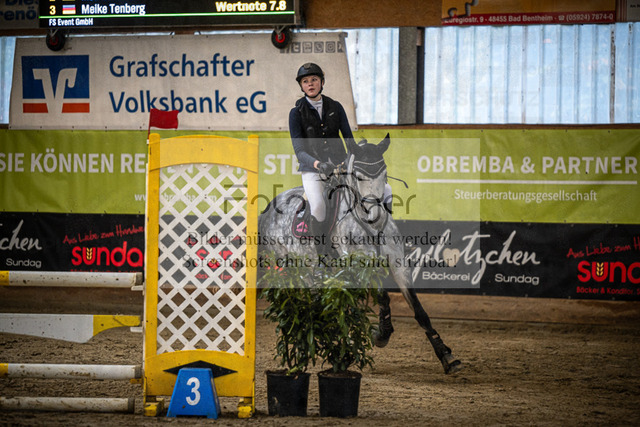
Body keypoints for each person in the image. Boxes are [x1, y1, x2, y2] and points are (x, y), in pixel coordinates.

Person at [289, 62, 352, 255]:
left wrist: (351, 159)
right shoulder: (296, 113)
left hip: (340, 167)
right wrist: (318, 164)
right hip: (313, 169)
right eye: (305, 81)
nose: (310, 84)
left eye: (314, 79)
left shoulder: (336, 107)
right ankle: (322, 257)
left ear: (322, 82)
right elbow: (299, 151)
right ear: (301, 86)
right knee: (317, 207)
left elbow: (349, 140)